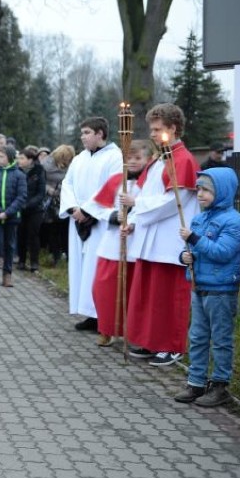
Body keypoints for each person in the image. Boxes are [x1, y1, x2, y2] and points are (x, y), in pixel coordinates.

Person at [123, 103, 200, 366]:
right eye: (152, 129)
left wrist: (136, 206)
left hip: (169, 241)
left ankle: (172, 345)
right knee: (151, 298)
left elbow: (171, 203)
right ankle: (152, 341)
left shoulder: (183, 159)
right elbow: (146, 193)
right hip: (150, 238)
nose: (153, 134)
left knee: (170, 297)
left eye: (157, 129)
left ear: (173, 128)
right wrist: (133, 221)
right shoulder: (159, 159)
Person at [173, 168, 240, 406]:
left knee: (221, 338)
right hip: (200, 286)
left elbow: (222, 252)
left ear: (223, 191)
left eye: (206, 190)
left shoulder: (236, 221)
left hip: (222, 289)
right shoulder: (199, 218)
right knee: (197, 336)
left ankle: (220, 385)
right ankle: (196, 382)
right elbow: (194, 252)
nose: (200, 194)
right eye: (198, 189)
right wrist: (185, 256)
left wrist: (194, 239)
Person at [59, 118, 123, 331]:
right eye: (82, 132)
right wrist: (72, 209)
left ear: (100, 133)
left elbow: (112, 187)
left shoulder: (115, 158)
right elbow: (67, 184)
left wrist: (87, 211)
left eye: (87, 132)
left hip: (100, 222)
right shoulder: (79, 158)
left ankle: (101, 314)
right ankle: (88, 312)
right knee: (80, 267)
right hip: (77, 221)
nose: (82, 136)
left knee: (96, 269)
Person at [87, 139, 153, 347]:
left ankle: (133, 333)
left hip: (137, 244)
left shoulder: (151, 182)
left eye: (137, 158)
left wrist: (133, 219)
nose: (132, 162)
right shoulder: (116, 180)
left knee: (133, 293)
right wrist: (113, 215)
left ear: (148, 160)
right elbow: (95, 206)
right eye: (129, 158)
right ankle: (107, 329)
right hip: (112, 244)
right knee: (103, 289)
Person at [0, 145, 27, 287]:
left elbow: (21, 197)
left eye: (1, 156)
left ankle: (7, 274)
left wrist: (7, 212)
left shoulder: (19, 174)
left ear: (10, 157)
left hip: (12, 217)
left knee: (10, 246)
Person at [41, 145, 75, 267]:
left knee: (65, 229)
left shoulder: (72, 166)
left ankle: (66, 255)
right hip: (51, 201)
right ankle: (55, 256)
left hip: (65, 200)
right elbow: (40, 181)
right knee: (53, 230)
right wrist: (48, 189)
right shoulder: (45, 165)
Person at [16, 145, 46, 273]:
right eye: (18, 158)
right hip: (19, 208)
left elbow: (41, 192)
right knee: (20, 234)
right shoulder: (17, 171)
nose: (19, 161)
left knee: (33, 235)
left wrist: (29, 204)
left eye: (22, 158)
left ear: (30, 160)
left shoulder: (39, 170)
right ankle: (22, 260)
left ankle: (34, 262)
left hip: (35, 209)